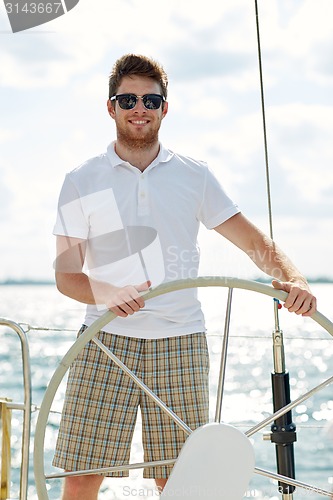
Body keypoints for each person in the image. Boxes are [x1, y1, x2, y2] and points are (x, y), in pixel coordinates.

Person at [52, 53, 316, 500]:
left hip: (181, 342)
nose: (140, 108)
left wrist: (296, 280)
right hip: (103, 340)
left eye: (150, 100)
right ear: (111, 106)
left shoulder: (195, 176)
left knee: (179, 482)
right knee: (81, 477)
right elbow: (66, 276)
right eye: (128, 98)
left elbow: (255, 243)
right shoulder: (81, 179)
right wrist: (110, 292)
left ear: (164, 108)